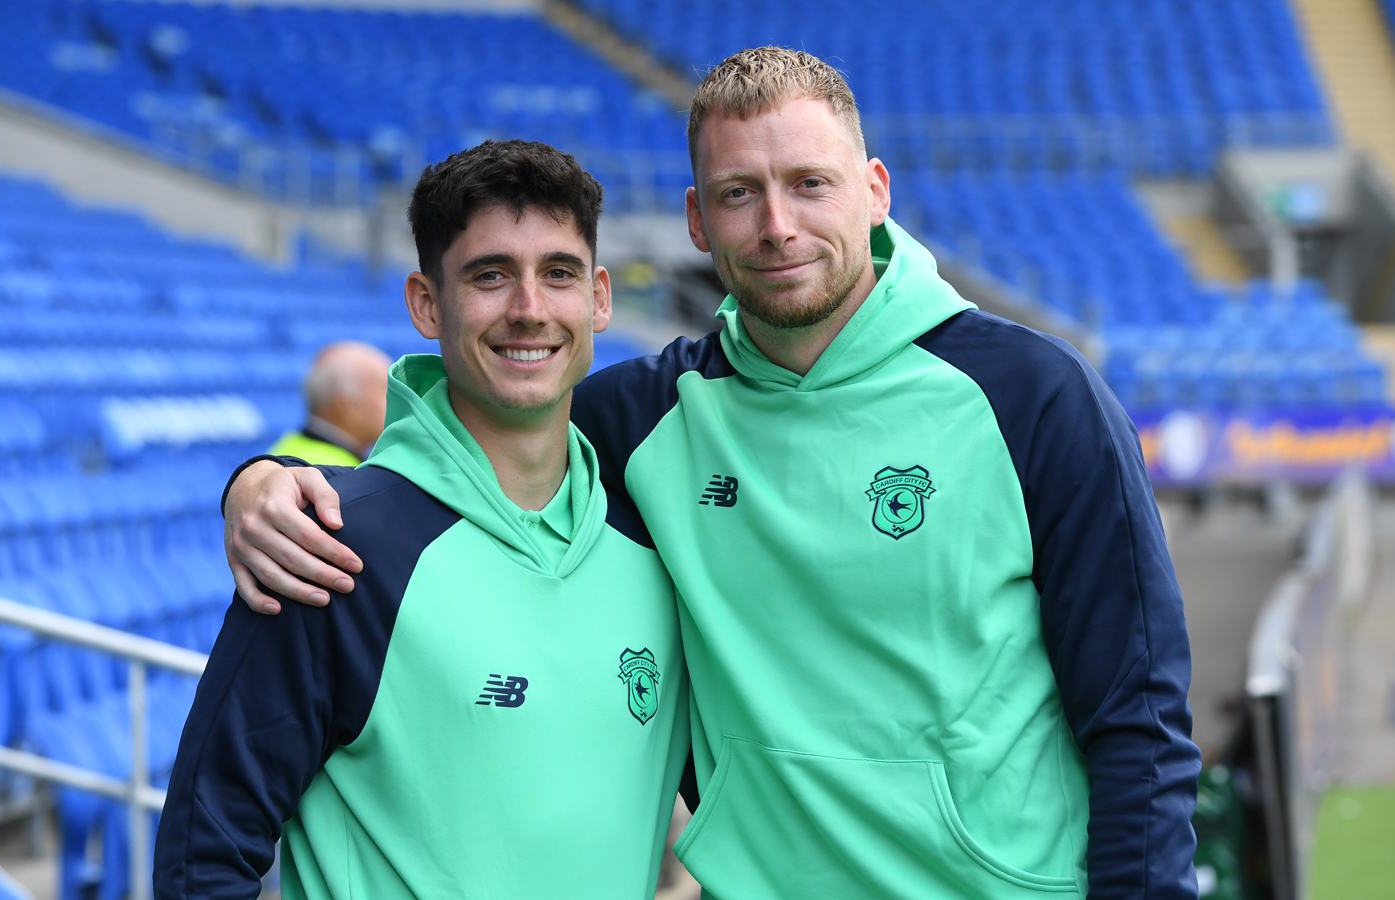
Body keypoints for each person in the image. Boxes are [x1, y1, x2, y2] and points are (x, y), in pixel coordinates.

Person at [222, 48, 1202, 899]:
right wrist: (262, 477)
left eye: (808, 185)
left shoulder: (1033, 395)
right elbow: (466, 440)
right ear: (698, 218)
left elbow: (1138, 722)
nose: (777, 225)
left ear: (875, 191)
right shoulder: (643, 421)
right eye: (740, 193)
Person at [154, 140, 690, 899]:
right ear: (426, 303)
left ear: (600, 298)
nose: (530, 308)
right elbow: (200, 853)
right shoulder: (330, 545)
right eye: (490, 275)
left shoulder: (654, 542)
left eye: (559, 273)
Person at [267, 341, 391, 465]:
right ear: (348, 406)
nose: (396, 401)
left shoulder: (288, 447)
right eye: (386, 390)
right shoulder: (338, 472)